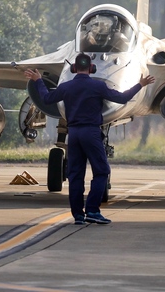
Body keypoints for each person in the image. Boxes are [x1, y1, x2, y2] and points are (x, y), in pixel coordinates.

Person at [24, 53, 155, 225]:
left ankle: (78, 215)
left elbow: (47, 98)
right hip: (91, 133)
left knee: (76, 175)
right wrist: (140, 84)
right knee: (101, 171)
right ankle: (93, 210)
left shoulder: (66, 86)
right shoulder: (98, 86)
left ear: (74, 68)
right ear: (91, 68)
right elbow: (122, 98)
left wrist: (38, 80)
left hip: (74, 134)